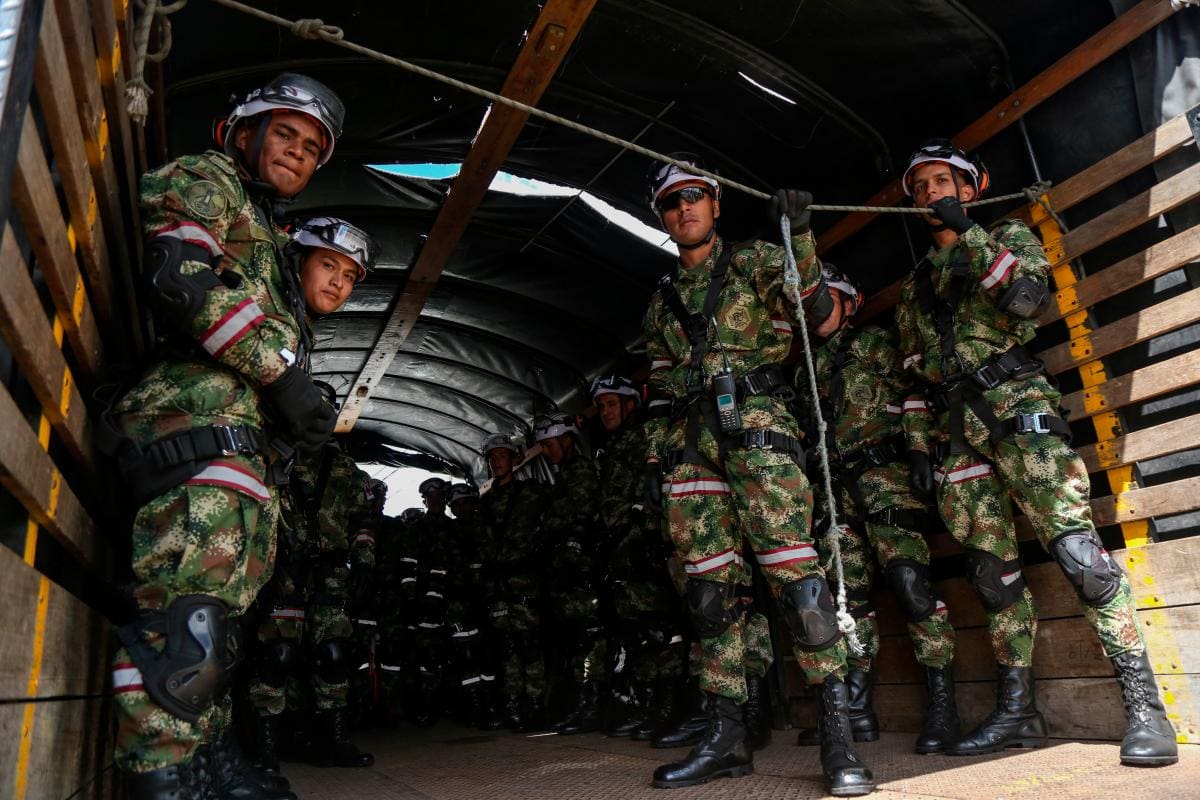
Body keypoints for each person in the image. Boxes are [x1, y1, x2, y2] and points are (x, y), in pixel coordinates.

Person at [895, 139, 1177, 765]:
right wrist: (917, 447)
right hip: (956, 436)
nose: (930, 194)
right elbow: (913, 375)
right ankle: (1018, 712)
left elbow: (1025, 299)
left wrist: (969, 232)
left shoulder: (1007, 238)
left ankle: (1147, 711)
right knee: (992, 578)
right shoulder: (917, 286)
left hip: (1019, 413)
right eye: (920, 188)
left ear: (970, 187)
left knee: (1081, 558)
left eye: (942, 182)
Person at [106, 73, 344, 800]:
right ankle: (162, 780)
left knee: (218, 632)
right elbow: (181, 279)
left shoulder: (264, 227)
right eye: (285, 134)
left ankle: (205, 770)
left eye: (312, 148)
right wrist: (283, 378)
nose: (297, 152)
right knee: (190, 627)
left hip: (234, 436)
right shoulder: (207, 180)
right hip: (195, 418)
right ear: (244, 132)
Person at [641, 153, 873, 794]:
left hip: (760, 432)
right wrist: (656, 460)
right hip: (691, 447)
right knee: (708, 594)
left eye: (694, 195)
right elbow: (659, 387)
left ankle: (838, 739)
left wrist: (802, 236)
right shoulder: (660, 301)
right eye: (670, 202)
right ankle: (727, 738)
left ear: (716, 204)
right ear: (661, 217)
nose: (683, 207)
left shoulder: (758, 261)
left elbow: (821, 317)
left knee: (800, 588)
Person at [792, 265, 959, 754]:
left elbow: (913, 394)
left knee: (910, 585)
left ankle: (944, 708)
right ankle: (857, 710)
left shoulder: (874, 344)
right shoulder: (804, 369)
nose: (817, 309)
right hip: (834, 491)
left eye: (827, 298)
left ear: (850, 302)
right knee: (850, 600)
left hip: (886, 480)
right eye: (810, 301)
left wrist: (919, 451)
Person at [248, 216, 380, 776]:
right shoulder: (276, 452)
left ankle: (332, 738)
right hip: (283, 572)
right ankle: (264, 749)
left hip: (329, 575)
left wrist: (363, 560)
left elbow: (365, 517)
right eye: (328, 266)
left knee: (331, 655)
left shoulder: (344, 473)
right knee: (276, 656)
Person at [588, 376, 687, 739]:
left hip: (642, 545)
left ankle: (670, 705)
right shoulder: (611, 447)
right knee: (637, 631)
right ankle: (649, 704)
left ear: (630, 405)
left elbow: (651, 492)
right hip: (620, 552)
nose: (605, 412)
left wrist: (644, 536)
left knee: (661, 628)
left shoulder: (645, 438)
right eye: (601, 407)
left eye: (611, 404)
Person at [534, 412, 607, 734]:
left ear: (566, 440)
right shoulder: (564, 476)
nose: (546, 451)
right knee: (574, 639)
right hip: (565, 570)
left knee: (587, 638)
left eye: (549, 444)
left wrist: (572, 557)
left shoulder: (580, 472)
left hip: (580, 572)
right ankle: (582, 702)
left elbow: (584, 517)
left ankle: (592, 704)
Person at [477, 432, 547, 731]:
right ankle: (514, 705)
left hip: (525, 581)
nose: (497, 462)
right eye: (492, 458)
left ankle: (536, 705)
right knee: (506, 648)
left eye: (503, 456)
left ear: (515, 459)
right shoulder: (485, 503)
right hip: (499, 584)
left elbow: (548, 526)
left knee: (529, 645)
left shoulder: (531, 494)